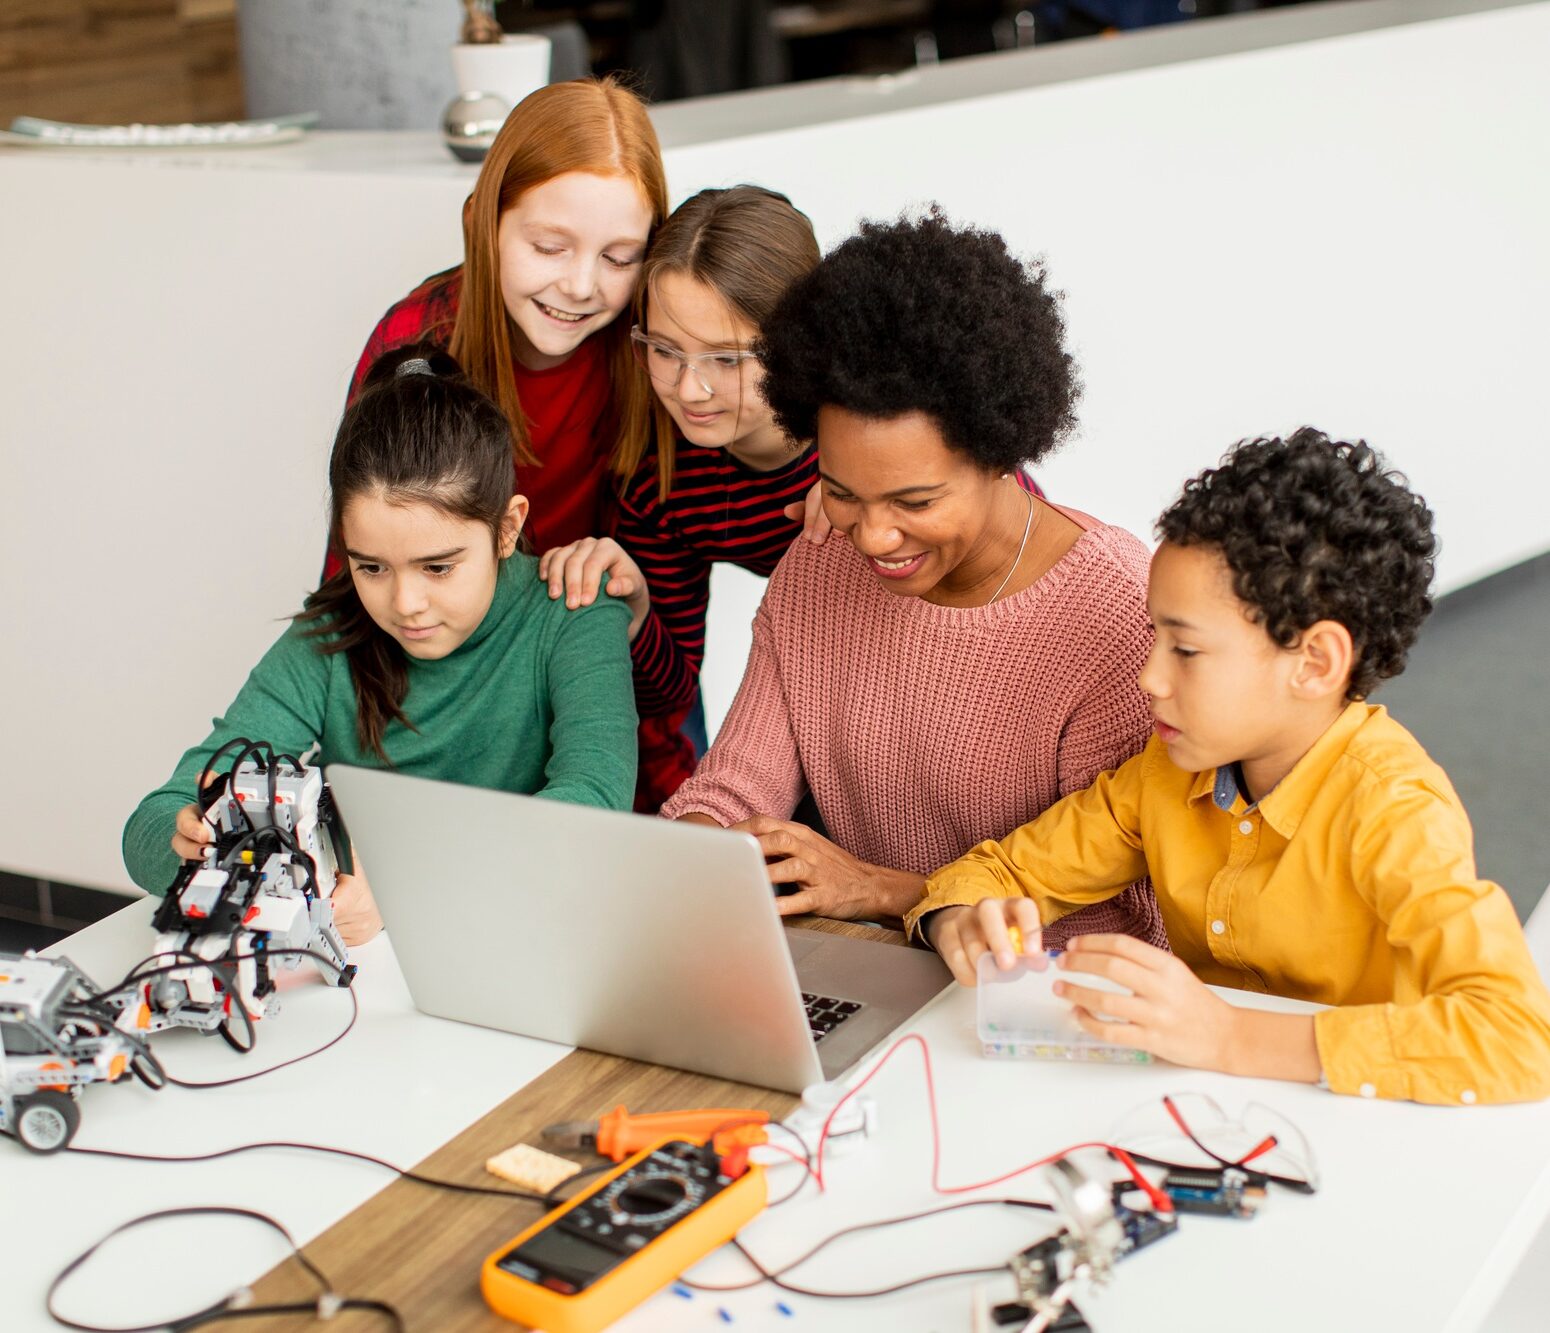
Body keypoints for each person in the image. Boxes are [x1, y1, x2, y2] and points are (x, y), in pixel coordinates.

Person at [918, 431, 1550, 1106]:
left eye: (1185, 650)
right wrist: (959, 916)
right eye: (1156, 639)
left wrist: (1227, 1036)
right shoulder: (1165, 773)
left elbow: (1516, 1034)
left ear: (1314, 663)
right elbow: (1001, 871)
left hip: (1358, 1123)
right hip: (1202, 1108)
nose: (1149, 676)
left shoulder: (1395, 808)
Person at [659, 210, 1165, 950]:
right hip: (878, 971)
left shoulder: (1115, 613)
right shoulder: (818, 566)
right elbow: (733, 788)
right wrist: (703, 850)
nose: (872, 536)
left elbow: (1116, 924)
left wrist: (883, 891)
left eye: (915, 501)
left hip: (1047, 1012)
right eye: (843, 491)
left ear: (1001, 455)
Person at [124, 348, 638, 944]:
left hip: (525, 944)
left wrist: (399, 888)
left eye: (438, 567)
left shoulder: (575, 613)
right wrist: (190, 840)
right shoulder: (329, 637)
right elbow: (152, 825)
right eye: (370, 566)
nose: (405, 603)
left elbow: (592, 805)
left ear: (507, 526)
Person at [537, 185, 829, 810]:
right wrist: (638, 611)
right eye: (665, 351)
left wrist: (867, 502)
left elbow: (1004, 518)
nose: (689, 389)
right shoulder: (662, 479)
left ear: (801, 344)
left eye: (726, 358)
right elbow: (669, 692)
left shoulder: (868, 419)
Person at [323, 76, 668, 581]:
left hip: (580, 627)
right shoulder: (413, 339)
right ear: (482, 224)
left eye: (618, 258)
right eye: (550, 247)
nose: (579, 286)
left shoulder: (653, 349)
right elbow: (356, 560)